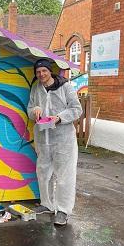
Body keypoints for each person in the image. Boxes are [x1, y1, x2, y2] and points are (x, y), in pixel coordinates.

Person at [27, 59, 82, 226]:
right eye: (38, 72)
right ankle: (47, 204)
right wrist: (34, 110)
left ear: (50, 71)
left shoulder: (65, 87)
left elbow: (77, 109)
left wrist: (59, 118)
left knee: (64, 176)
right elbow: (30, 109)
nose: (41, 74)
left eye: (44, 71)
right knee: (43, 173)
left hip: (63, 140)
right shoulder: (36, 88)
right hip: (44, 140)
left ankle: (63, 210)